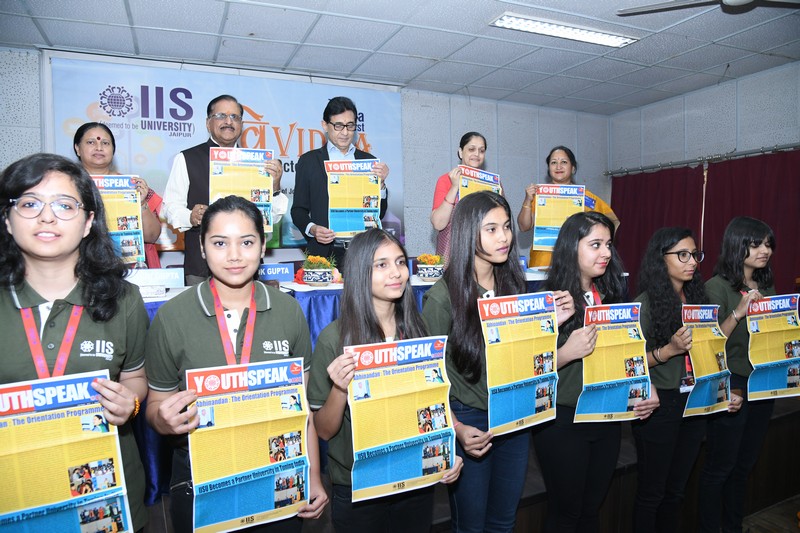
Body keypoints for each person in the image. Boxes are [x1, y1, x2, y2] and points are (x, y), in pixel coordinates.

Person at [145, 195, 327, 533]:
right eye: (219, 243)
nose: (234, 255)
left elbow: (304, 409)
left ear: (263, 247)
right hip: (202, 478)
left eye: (246, 242)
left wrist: (313, 476)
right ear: (202, 248)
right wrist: (163, 419)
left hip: (279, 473)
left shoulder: (288, 311)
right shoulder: (172, 317)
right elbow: (155, 405)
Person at [0, 153, 149, 531]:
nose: (47, 217)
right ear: (7, 219)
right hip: (15, 489)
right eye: (30, 204)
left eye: (65, 205)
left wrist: (129, 404)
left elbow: (135, 378)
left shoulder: (124, 299)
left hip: (103, 490)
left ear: (88, 222)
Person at [422, 191, 574, 533]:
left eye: (506, 227)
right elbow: (428, 379)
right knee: (471, 526)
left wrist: (551, 325)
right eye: (491, 229)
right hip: (470, 420)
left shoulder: (513, 286)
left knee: (504, 522)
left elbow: (523, 357)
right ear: (467, 232)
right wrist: (456, 428)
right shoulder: (442, 297)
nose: (504, 236)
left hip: (514, 415)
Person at [308, 228, 462, 532]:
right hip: (359, 486)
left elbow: (432, 405)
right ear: (359, 272)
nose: (396, 273)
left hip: (415, 476)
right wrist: (339, 388)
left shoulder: (418, 331)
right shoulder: (334, 339)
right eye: (381, 264)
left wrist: (447, 451)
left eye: (400, 262)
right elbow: (324, 430)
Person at [533, 211, 658, 532]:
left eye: (609, 245)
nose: (606, 253)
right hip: (563, 420)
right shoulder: (547, 299)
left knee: (591, 510)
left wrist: (647, 385)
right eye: (595, 245)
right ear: (571, 248)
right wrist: (565, 353)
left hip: (606, 415)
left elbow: (628, 352)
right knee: (566, 513)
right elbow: (525, 370)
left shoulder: (612, 295)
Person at [631, 227, 743, 532]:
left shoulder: (698, 298)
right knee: (652, 493)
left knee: (676, 491)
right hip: (660, 404)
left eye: (695, 254)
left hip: (694, 401)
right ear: (661, 258)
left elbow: (710, 352)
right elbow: (631, 364)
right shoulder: (644, 304)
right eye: (682, 255)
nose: (692, 261)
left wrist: (722, 392)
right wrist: (669, 350)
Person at [698, 216, 777, 532]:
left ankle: (732, 527)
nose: (764, 251)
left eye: (768, 244)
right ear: (737, 245)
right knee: (720, 467)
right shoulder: (715, 287)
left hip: (763, 382)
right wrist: (738, 312)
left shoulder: (766, 286)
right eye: (756, 244)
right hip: (730, 382)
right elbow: (708, 343)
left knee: (744, 466)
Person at [162, 95, 286, 285]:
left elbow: (272, 218)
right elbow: (169, 207)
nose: (229, 121)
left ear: (241, 124)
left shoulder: (257, 162)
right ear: (208, 123)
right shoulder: (187, 158)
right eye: (221, 116)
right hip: (201, 266)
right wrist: (190, 216)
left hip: (246, 263)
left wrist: (275, 186)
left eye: (235, 117)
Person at [291, 96, 390, 268]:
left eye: (350, 126)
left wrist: (380, 186)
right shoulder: (309, 161)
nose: (345, 132)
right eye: (338, 126)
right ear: (325, 125)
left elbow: (378, 215)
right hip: (323, 253)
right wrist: (313, 229)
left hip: (362, 252)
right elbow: (298, 210)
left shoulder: (368, 162)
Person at [73, 121, 163, 268]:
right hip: (78, 266)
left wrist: (140, 203)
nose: (99, 147)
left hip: (125, 269)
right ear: (77, 148)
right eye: (91, 142)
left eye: (105, 143)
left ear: (113, 150)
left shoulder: (131, 186)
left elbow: (152, 236)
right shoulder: (67, 187)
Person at [517, 146, 620, 269]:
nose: (558, 167)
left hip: (575, 263)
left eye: (564, 162)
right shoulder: (539, 194)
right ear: (549, 168)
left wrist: (596, 244)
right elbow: (524, 227)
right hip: (542, 263)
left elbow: (611, 222)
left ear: (573, 168)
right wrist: (528, 200)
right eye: (553, 162)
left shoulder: (585, 197)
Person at [430, 132, 488, 261]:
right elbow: (438, 224)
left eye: (481, 150)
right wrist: (454, 186)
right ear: (461, 152)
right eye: (471, 149)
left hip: (484, 255)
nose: (477, 154)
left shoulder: (492, 184)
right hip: (452, 255)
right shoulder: (446, 180)